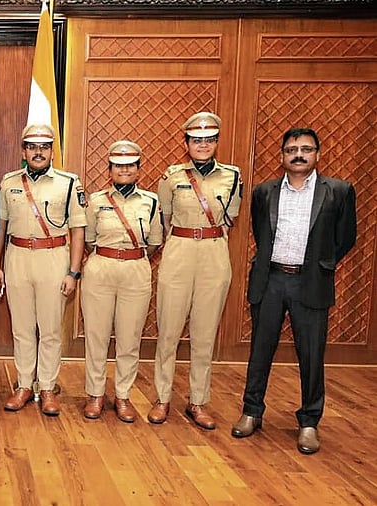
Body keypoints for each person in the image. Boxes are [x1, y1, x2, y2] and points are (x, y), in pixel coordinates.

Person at [232, 128, 356, 454]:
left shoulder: (338, 191)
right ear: (282, 156)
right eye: (291, 149)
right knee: (260, 350)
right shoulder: (264, 192)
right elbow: (261, 232)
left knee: (312, 356)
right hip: (271, 279)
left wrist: (320, 264)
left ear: (317, 153)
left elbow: (346, 238)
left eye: (305, 149)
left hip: (311, 282)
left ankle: (309, 422)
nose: (298, 154)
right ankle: (251, 411)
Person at [150, 111, 242, 429]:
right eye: (196, 140)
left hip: (215, 253)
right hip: (179, 249)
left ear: (216, 142)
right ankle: (162, 398)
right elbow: (165, 217)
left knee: (204, 334)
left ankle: (198, 401)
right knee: (169, 331)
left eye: (208, 140)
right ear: (186, 143)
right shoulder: (171, 177)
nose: (202, 145)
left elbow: (230, 215)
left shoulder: (232, 176)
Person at [0, 124, 86, 417]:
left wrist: (73, 272)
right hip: (17, 256)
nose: (38, 152)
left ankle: (46, 387)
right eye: (32, 147)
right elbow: (1, 227)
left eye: (44, 147)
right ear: (23, 151)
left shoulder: (69, 183)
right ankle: (22, 385)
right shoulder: (9, 183)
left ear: (52, 152)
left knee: (50, 330)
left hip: (53, 257)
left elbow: (78, 230)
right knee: (21, 329)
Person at [81, 141, 163, 423]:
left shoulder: (151, 201)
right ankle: (95, 394)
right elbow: (89, 239)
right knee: (96, 337)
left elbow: (154, 242)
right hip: (100, 268)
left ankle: (123, 396)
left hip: (136, 269)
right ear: (110, 169)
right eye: (118, 165)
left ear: (139, 170)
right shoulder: (95, 201)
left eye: (130, 165)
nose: (124, 170)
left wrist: (130, 256)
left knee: (129, 339)